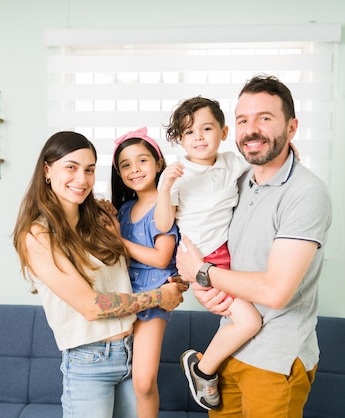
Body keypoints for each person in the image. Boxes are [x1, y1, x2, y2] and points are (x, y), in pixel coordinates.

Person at [175, 74, 332, 418]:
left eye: (265, 118)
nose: (252, 129)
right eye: (243, 120)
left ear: (292, 127)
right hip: (228, 353)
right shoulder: (238, 179)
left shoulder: (305, 193)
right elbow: (196, 223)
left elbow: (275, 291)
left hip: (275, 361)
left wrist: (203, 273)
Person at [12, 131, 186, 418]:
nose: (82, 179)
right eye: (71, 167)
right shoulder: (39, 235)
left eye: (89, 169)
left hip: (130, 353)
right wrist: (159, 296)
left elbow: (145, 256)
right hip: (89, 363)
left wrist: (174, 280)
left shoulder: (103, 217)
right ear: (47, 170)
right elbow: (93, 306)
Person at [153, 97, 263, 410]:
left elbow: (261, 165)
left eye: (206, 128)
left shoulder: (232, 161)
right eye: (189, 132)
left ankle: (208, 368)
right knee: (249, 321)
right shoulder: (178, 173)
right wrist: (164, 188)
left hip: (229, 256)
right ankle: (203, 370)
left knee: (243, 317)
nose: (198, 137)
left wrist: (289, 154)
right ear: (180, 139)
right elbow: (164, 223)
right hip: (201, 259)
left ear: (224, 131)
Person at [110, 127, 180, 418]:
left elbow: (162, 258)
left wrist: (120, 242)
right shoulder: (124, 209)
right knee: (123, 376)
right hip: (124, 296)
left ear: (158, 163)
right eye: (126, 165)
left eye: (142, 161)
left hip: (154, 297)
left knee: (143, 381)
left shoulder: (164, 204)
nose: (134, 170)